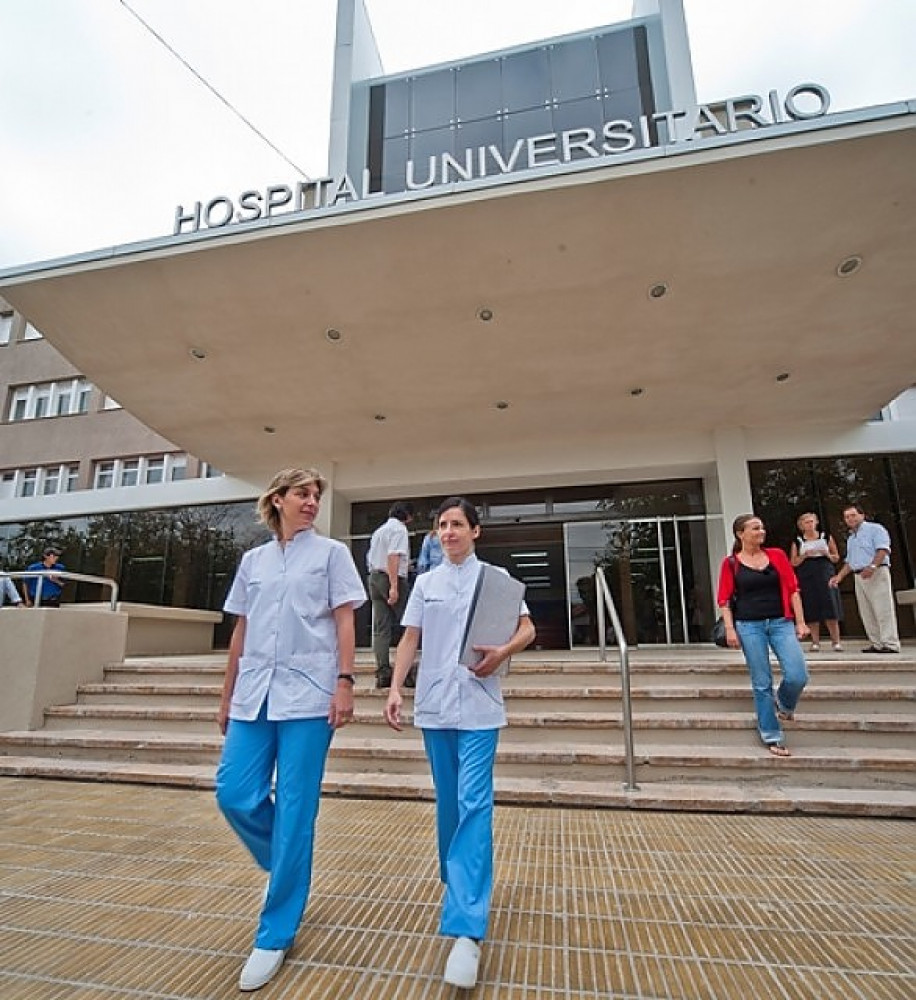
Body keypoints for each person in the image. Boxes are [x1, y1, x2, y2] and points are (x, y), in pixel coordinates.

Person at [214, 468, 366, 992]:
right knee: (233, 793)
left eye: (317, 495)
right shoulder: (253, 561)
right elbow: (243, 628)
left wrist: (345, 682)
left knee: (297, 808)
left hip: (309, 693)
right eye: (302, 493)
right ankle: (287, 872)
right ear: (276, 499)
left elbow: (346, 620)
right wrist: (227, 693)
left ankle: (274, 933)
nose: (312, 502)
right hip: (254, 693)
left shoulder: (331, 555)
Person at [384, 497, 536, 990]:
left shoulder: (495, 580)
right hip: (434, 706)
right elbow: (410, 638)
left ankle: (467, 928)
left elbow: (527, 628)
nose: (448, 532)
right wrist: (393, 687)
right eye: (442, 525)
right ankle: (461, 884)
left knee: (475, 803)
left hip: (479, 705)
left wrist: (504, 652)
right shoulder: (425, 584)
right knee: (449, 805)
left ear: (475, 532)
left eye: (457, 524)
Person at [717, 514, 809, 757]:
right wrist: (730, 629)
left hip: (781, 623)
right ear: (740, 534)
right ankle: (772, 735)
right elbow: (724, 600)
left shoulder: (777, 556)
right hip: (749, 626)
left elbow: (793, 590)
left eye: (762, 527)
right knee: (762, 682)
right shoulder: (731, 563)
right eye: (755, 528)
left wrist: (800, 622)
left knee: (798, 674)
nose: (762, 531)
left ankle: (785, 704)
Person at [829, 504, 900, 654]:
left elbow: (883, 549)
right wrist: (839, 577)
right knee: (866, 611)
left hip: (877, 572)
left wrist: (873, 566)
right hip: (859, 576)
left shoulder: (875, 529)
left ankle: (890, 643)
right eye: (847, 517)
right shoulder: (851, 538)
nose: (850, 519)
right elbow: (850, 561)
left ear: (862, 515)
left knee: (883, 608)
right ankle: (877, 643)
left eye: (853, 515)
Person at [367, 500, 413, 688]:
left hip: (375, 576)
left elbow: (371, 558)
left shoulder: (379, 531)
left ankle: (383, 672)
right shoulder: (400, 530)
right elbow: (393, 556)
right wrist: (394, 586)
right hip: (391, 577)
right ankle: (406, 673)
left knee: (380, 628)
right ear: (407, 516)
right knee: (409, 625)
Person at [789, 511, 843, 652]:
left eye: (812, 521)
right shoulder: (797, 540)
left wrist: (827, 554)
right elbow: (793, 562)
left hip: (825, 572)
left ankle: (836, 641)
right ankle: (815, 641)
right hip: (806, 574)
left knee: (830, 605)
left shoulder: (826, 537)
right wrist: (804, 556)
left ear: (816, 522)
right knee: (811, 607)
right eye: (806, 522)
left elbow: (836, 557)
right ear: (801, 526)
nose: (810, 524)